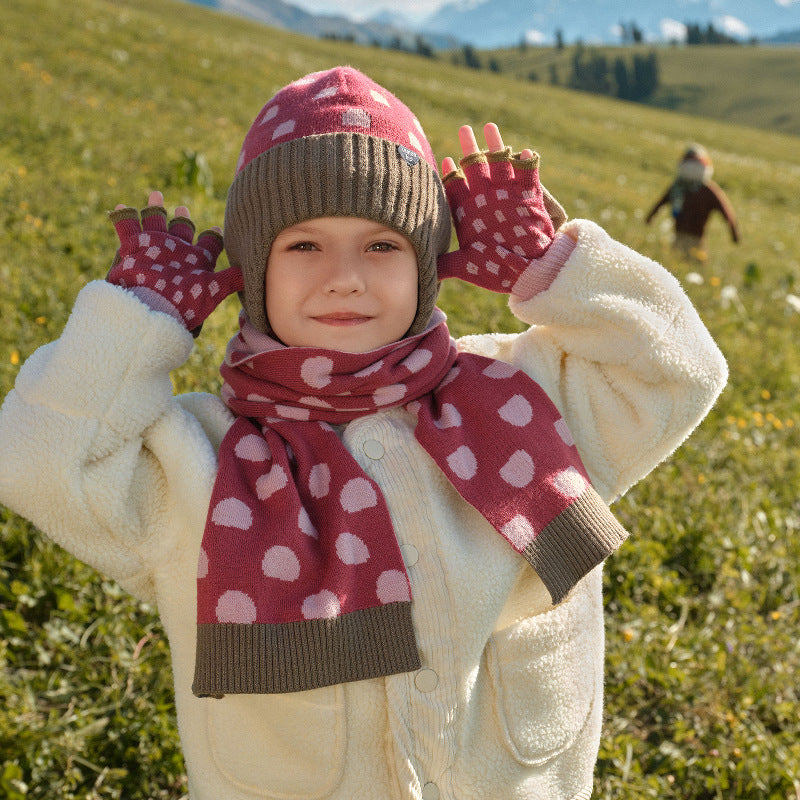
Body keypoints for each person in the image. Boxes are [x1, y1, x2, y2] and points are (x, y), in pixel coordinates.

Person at [0, 66, 727, 800]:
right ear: (254, 273)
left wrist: (551, 270)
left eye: (382, 245)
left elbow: (681, 370)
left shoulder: (524, 397)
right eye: (303, 246)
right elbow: (38, 459)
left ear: (427, 263)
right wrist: (136, 321)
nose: (345, 276)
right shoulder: (199, 457)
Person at [645, 143, 739, 261]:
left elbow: (726, 213)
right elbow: (726, 213)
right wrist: (734, 234)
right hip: (681, 237)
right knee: (678, 265)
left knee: (685, 264)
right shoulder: (681, 187)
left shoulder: (686, 188)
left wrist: (650, 218)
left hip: (695, 240)